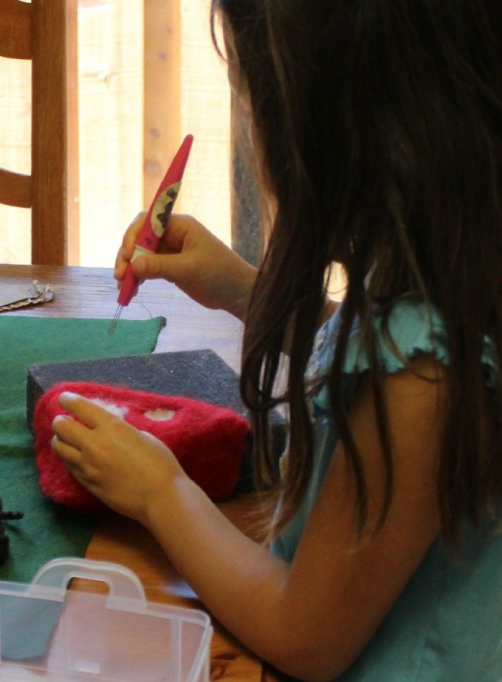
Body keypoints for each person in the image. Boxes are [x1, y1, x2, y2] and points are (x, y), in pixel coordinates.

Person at [50, 1, 502, 680]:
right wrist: (245, 290)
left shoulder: (424, 383)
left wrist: (159, 492)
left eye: (255, 100)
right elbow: (390, 351)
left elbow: (304, 634)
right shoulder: (460, 274)